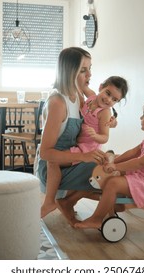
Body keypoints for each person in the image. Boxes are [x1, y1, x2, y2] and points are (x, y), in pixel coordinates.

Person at [75, 98, 144, 229]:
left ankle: (96, 219)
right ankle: (115, 205)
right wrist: (113, 160)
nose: (141, 117)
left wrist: (115, 166)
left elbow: (140, 163)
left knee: (113, 183)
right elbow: (133, 152)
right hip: (143, 177)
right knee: (114, 171)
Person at [36, 47, 109, 226]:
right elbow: (46, 153)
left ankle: (67, 201)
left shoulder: (77, 95)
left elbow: (96, 106)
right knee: (108, 170)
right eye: (83, 70)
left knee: (109, 163)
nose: (89, 74)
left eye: (90, 68)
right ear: (70, 72)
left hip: (71, 160)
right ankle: (59, 201)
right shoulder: (58, 102)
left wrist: (109, 119)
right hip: (53, 168)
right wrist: (84, 156)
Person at [41, 76, 128, 218]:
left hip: (87, 149)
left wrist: (95, 135)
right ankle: (64, 201)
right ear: (100, 87)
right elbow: (79, 84)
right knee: (54, 161)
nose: (108, 100)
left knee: (53, 161)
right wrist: (59, 82)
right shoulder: (91, 96)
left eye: (114, 100)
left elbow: (105, 137)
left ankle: (49, 202)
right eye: (107, 93)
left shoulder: (105, 112)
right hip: (78, 144)